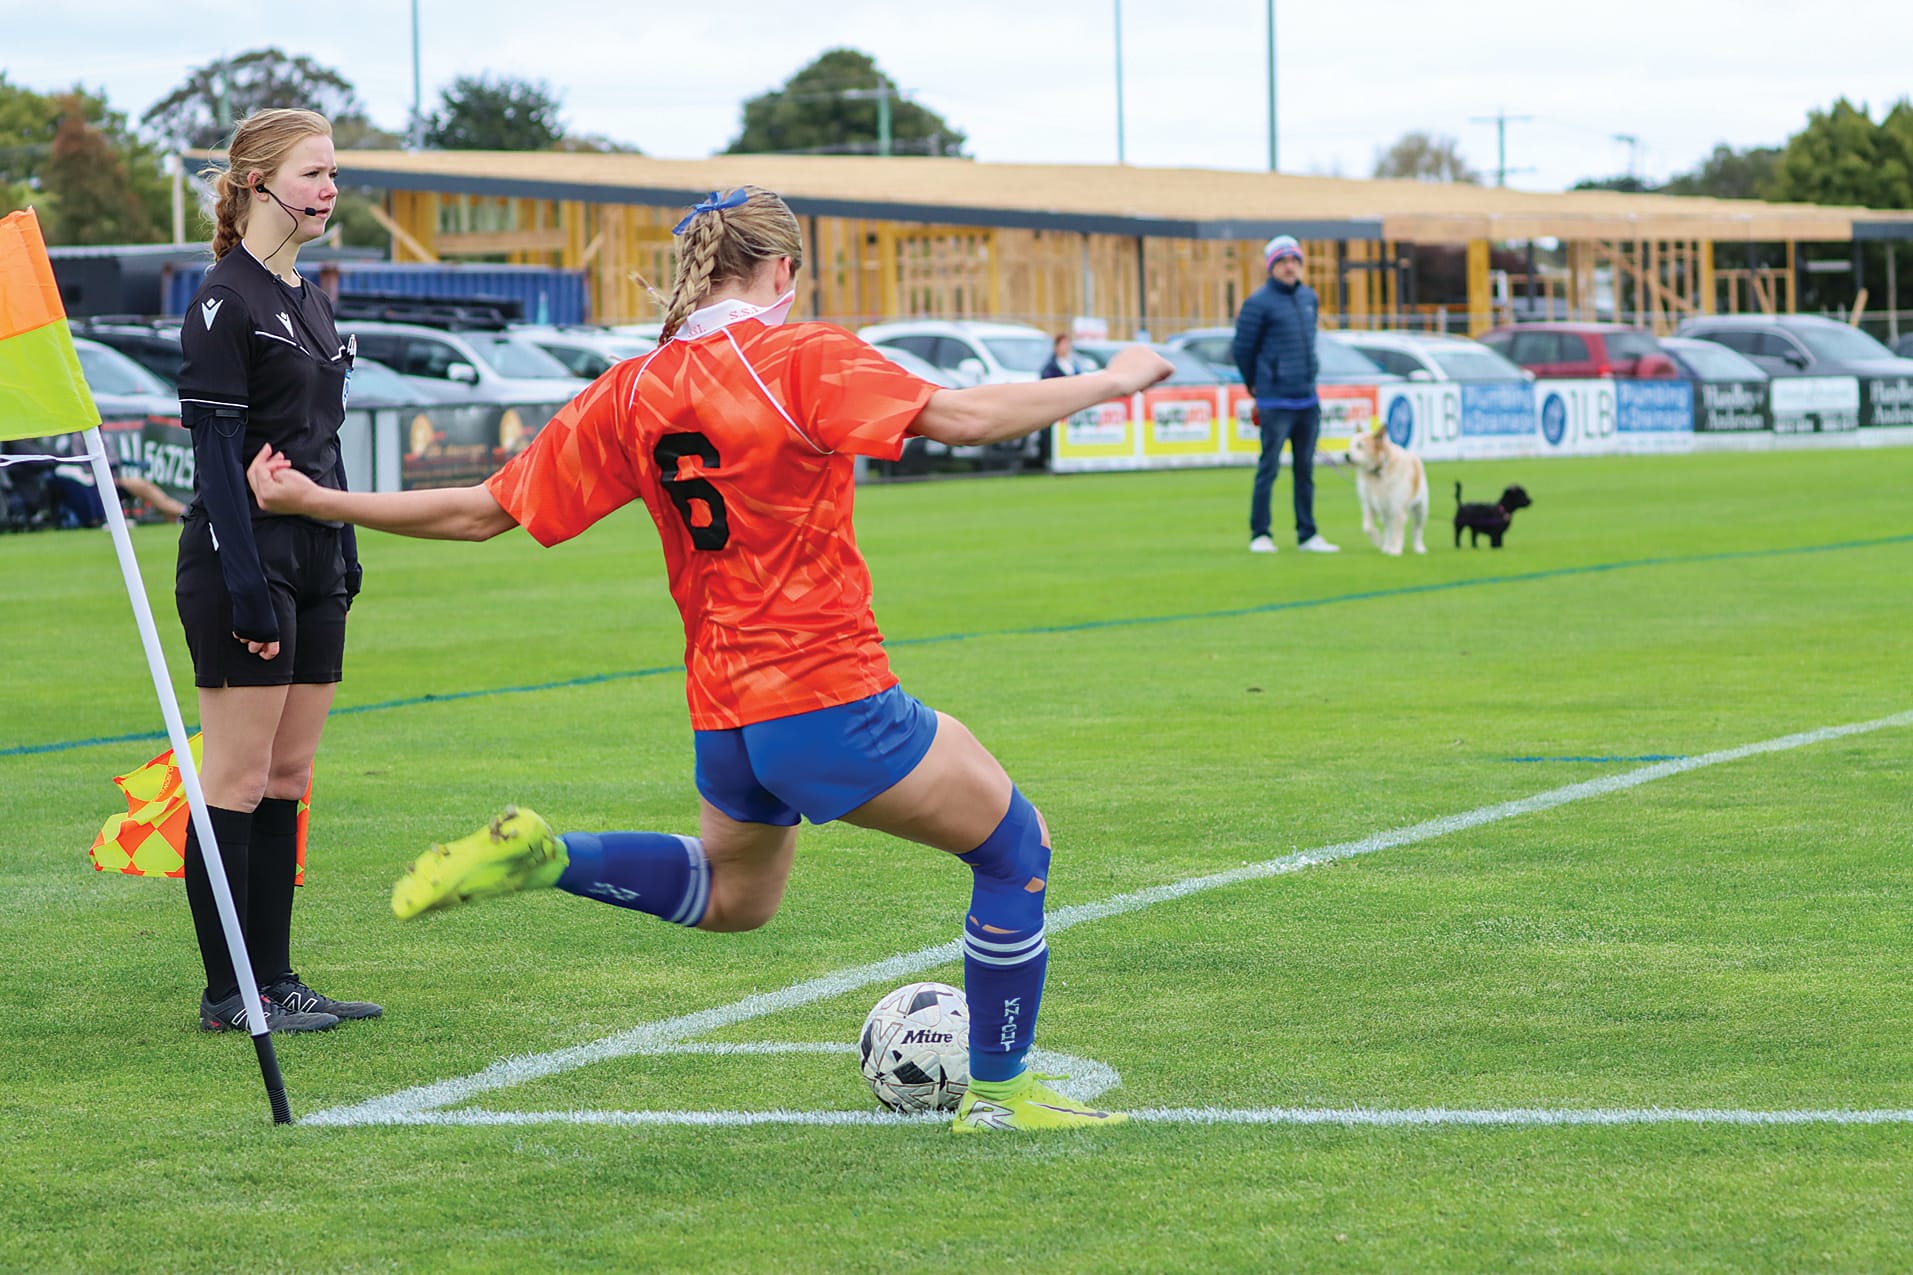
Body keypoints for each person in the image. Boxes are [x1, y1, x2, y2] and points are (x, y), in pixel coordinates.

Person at [246, 184, 1172, 1131]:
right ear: (784, 270)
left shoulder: (631, 387)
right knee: (1016, 847)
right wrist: (1115, 377)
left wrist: (318, 501)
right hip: (827, 694)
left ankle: (548, 856)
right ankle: (1004, 1098)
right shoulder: (799, 355)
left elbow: (482, 511)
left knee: (735, 897)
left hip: (727, 712)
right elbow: (965, 418)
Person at [173, 107, 382, 1034]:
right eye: (312, 174)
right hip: (239, 567)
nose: (329, 190)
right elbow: (217, 462)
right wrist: (250, 585)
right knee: (238, 776)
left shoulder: (309, 294)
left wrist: (343, 548)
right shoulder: (225, 299)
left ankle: (278, 978)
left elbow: (320, 447)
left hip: (315, 560)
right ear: (257, 180)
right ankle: (231, 993)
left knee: (289, 773)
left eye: (333, 174)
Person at [1232, 234, 1339, 556]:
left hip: (1307, 398)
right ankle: (1260, 533)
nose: (1289, 266)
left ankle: (1307, 533)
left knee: (1305, 471)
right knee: (1269, 468)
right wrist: (1256, 384)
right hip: (1274, 400)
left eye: (1294, 260)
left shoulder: (1309, 297)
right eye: (1282, 261)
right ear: (1271, 266)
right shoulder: (1258, 302)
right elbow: (1242, 349)